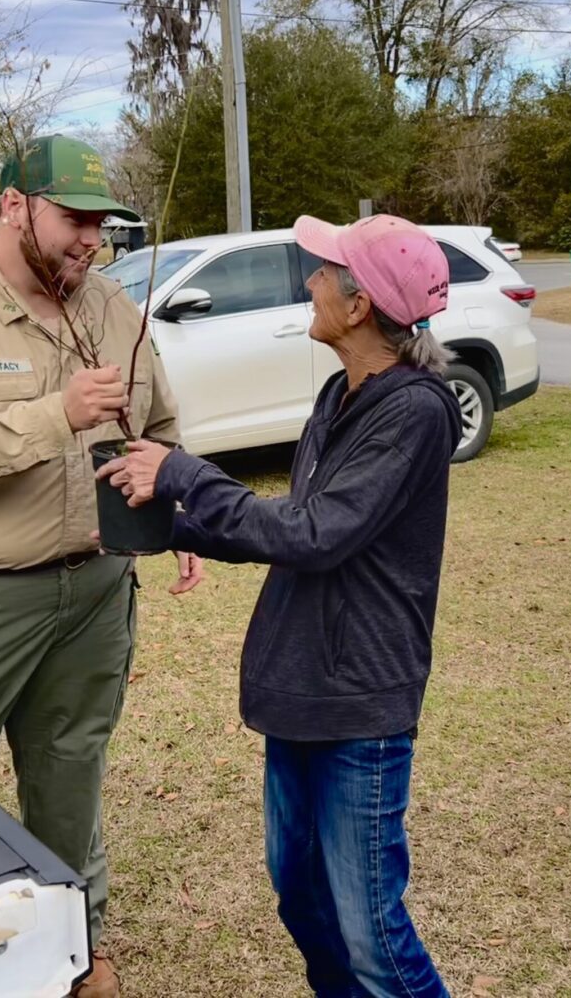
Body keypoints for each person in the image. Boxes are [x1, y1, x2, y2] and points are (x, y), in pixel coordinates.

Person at [0, 133, 202, 998]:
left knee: (69, 774)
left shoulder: (110, 307)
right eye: (73, 219)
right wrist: (56, 413)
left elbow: (157, 426)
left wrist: (174, 506)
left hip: (90, 595)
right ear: (14, 206)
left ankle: (71, 949)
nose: (91, 240)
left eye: (101, 224)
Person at [97, 214, 463, 998]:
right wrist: (169, 528)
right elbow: (294, 526)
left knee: (372, 936)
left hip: (359, 700)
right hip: (301, 685)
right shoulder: (341, 393)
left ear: (359, 306)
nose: (310, 281)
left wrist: (184, 472)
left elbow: (316, 533)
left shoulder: (415, 411)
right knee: (303, 897)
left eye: (324, 272)